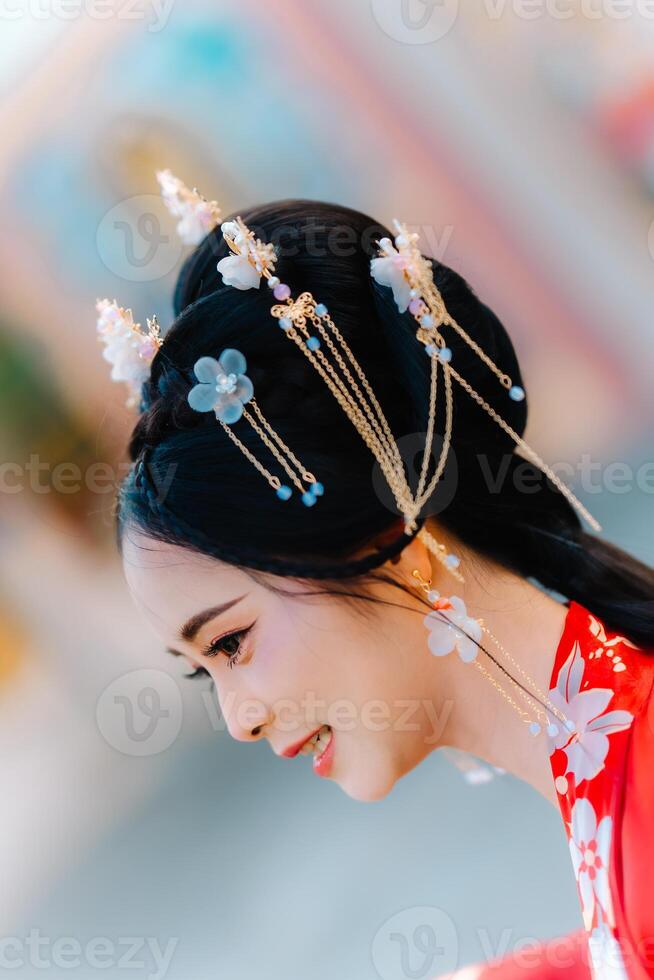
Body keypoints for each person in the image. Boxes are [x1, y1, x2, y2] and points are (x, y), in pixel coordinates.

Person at [99, 175, 654, 979]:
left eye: (231, 641)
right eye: (203, 670)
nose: (238, 720)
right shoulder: (613, 758)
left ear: (394, 532)